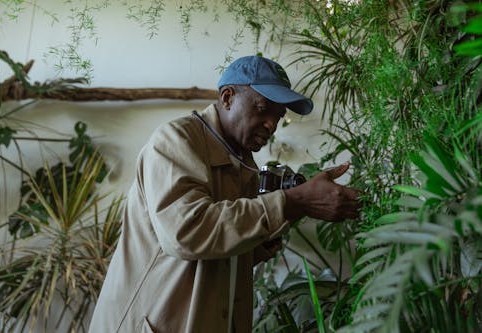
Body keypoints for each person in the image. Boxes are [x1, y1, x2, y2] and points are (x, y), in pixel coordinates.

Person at [88, 55, 361, 333]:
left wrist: (268, 235)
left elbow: (217, 251)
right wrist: (294, 202)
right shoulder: (175, 140)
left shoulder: (241, 165)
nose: (271, 125)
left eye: (278, 116)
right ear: (228, 97)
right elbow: (186, 232)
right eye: (263, 108)